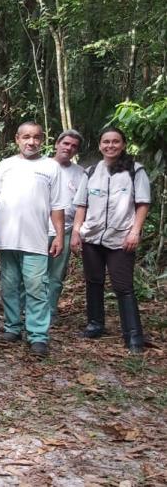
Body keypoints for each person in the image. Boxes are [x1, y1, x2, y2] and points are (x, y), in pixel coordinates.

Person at [0, 121, 68, 357]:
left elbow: (57, 206)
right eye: (26, 137)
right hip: (7, 239)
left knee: (37, 287)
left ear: (42, 140)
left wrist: (59, 236)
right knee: (9, 285)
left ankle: (38, 335)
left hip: (37, 240)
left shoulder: (51, 167)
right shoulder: (5, 165)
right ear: (17, 139)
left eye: (37, 137)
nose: (32, 142)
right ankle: (12, 327)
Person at [71, 127, 151, 354]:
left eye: (116, 142)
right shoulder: (91, 171)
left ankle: (133, 335)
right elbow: (82, 205)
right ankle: (95, 324)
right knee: (94, 281)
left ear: (123, 145)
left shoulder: (135, 171)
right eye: (106, 142)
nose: (111, 146)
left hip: (121, 237)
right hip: (92, 236)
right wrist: (77, 232)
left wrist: (135, 231)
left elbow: (142, 203)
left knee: (123, 287)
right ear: (99, 145)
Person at [47, 130, 84, 321]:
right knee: (33, 272)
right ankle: (25, 309)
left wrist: (78, 231)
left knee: (56, 274)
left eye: (73, 146)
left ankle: (50, 310)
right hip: (38, 228)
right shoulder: (42, 166)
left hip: (67, 229)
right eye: (66, 143)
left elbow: (82, 205)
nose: (68, 148)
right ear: (57, 144)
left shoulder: (80, 173)